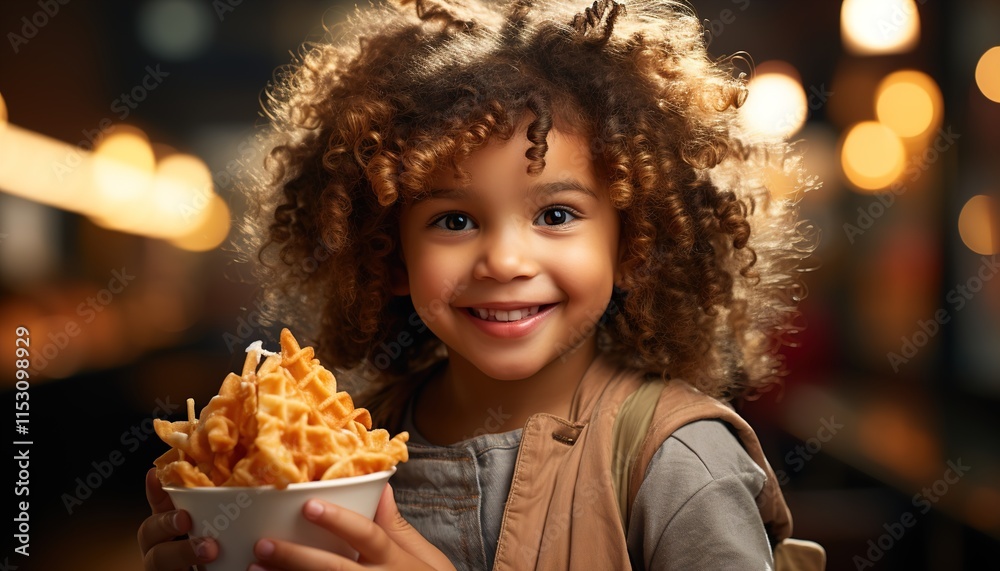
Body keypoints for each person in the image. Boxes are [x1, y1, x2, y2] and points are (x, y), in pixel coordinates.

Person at [138, 0, 818, 569]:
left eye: (556, 214)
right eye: (454, 219)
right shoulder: (349, 446)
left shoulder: (677, 467)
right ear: (389, 253)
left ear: (633, 241)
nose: (504, 260)